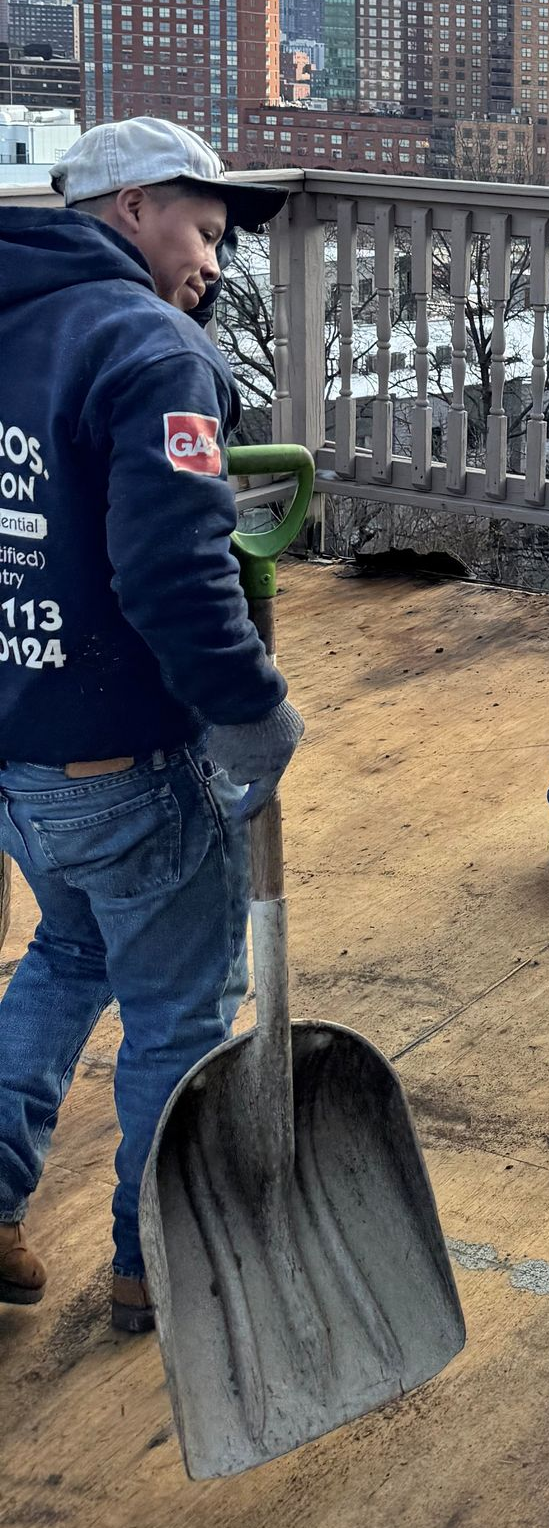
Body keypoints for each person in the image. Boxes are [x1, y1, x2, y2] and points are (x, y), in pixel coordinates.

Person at [0, 118, 304, 1330]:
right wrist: (250, 713)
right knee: (181, 1010)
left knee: (68, 958)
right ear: (132, 207)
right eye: (205, 229)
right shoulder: (147, 346)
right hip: (130, 761)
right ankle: (157, 1267)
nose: (215, 264)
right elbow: (176, 578)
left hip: (24, 754)